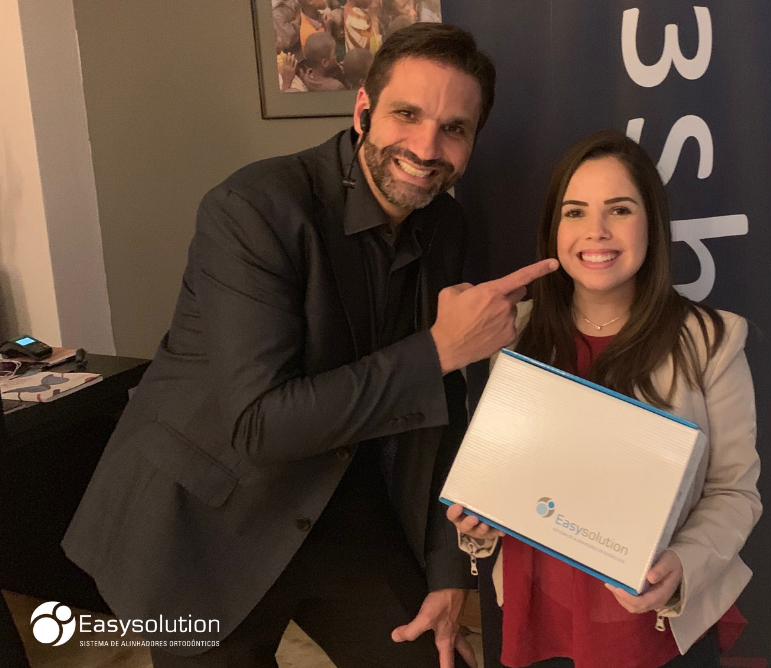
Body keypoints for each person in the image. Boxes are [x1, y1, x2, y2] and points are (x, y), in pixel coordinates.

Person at [63, 23, 557, 668]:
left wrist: (448, 568)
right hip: (203, 519)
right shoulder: (253, 209)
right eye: (407, 115)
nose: (426, 147)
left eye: (454, 129)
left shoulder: (446, 226)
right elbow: (259, 424)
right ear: (363, 110)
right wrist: (439, 349)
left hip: (336, 502)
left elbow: (441, 407)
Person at [448, 130, 762, 668]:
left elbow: (736, 491)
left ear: (652, 224)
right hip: (533, 611)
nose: (596, 231)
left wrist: (682, 563)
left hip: (645, 628)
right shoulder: (512, 335)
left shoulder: (712, 340)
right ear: (554, 229)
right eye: (575, 212)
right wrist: (478, 524)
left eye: (619, 209)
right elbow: (504, 479)